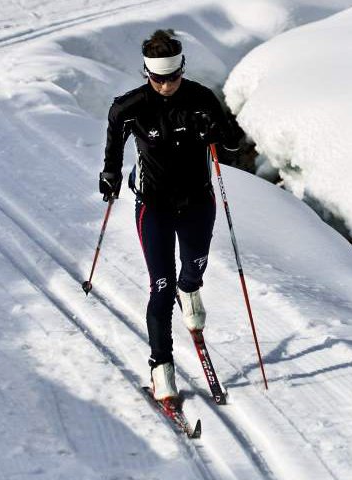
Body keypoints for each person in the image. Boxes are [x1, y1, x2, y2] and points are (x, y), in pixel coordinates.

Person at [99, 29, 242, 402]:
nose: (165, 86)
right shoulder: (130, 106)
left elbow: (231, 142)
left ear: (182, 69)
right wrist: (110, 174)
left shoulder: (201, 99)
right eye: (157, 78)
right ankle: (161, 367)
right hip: (153, 206)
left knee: (194, 266)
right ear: (147, 73)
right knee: (160, 288)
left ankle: (191, 288)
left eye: (172, 77)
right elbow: (115, 135)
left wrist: (221, 134)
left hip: (198, 201)